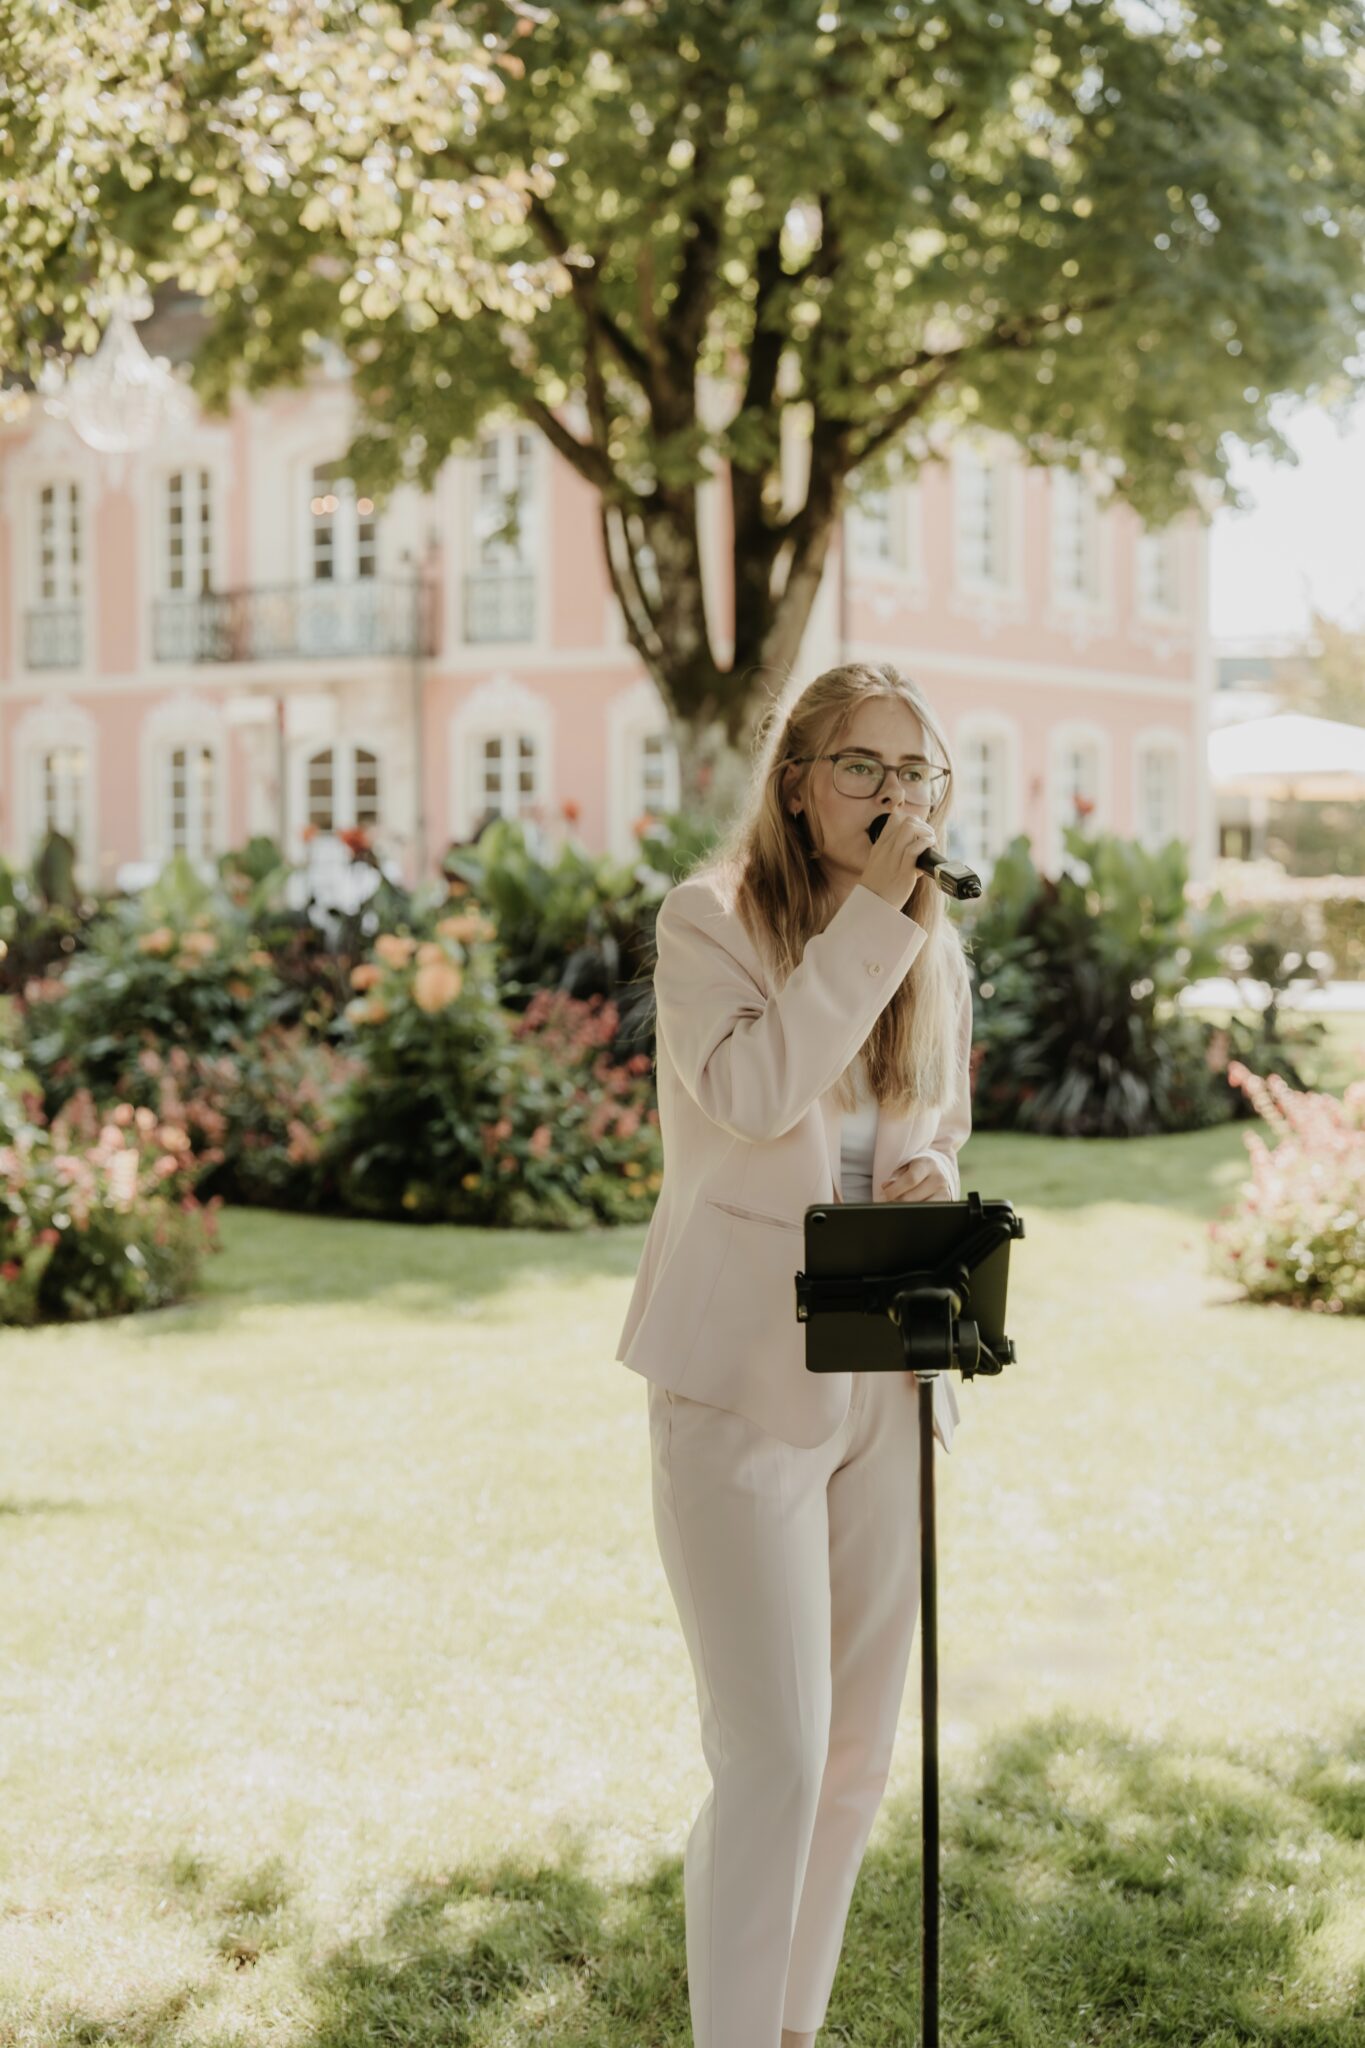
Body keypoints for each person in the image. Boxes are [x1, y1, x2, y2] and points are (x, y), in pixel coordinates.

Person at [613, 660, 974, 2048]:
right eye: (865, 769)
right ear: (796, 781)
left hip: (886, 1357)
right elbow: (759, 1093)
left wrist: (926, 1173)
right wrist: (881, 917)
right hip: (741, 1373)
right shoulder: (708, 920)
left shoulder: (917, 940)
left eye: (916, 773)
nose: (896, 798)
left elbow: (914, 1116)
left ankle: (784, 2030)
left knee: (850, 1763)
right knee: (768, 1757)